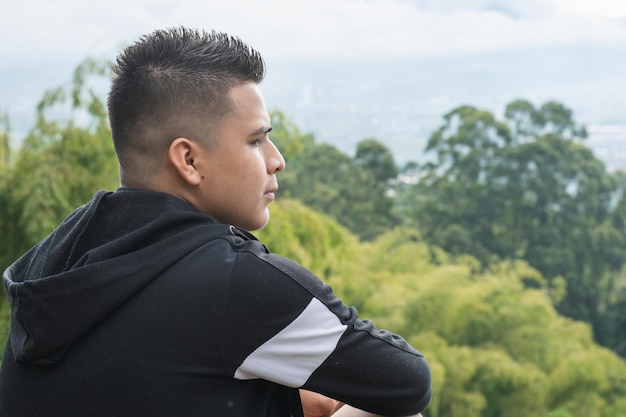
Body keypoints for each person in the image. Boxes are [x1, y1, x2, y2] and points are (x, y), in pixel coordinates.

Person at [0, 27, 432, 417]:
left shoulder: (53, 258)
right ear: (188, 159)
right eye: (256, 140)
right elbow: (408, 382)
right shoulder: (233, 281)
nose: (276, 160)